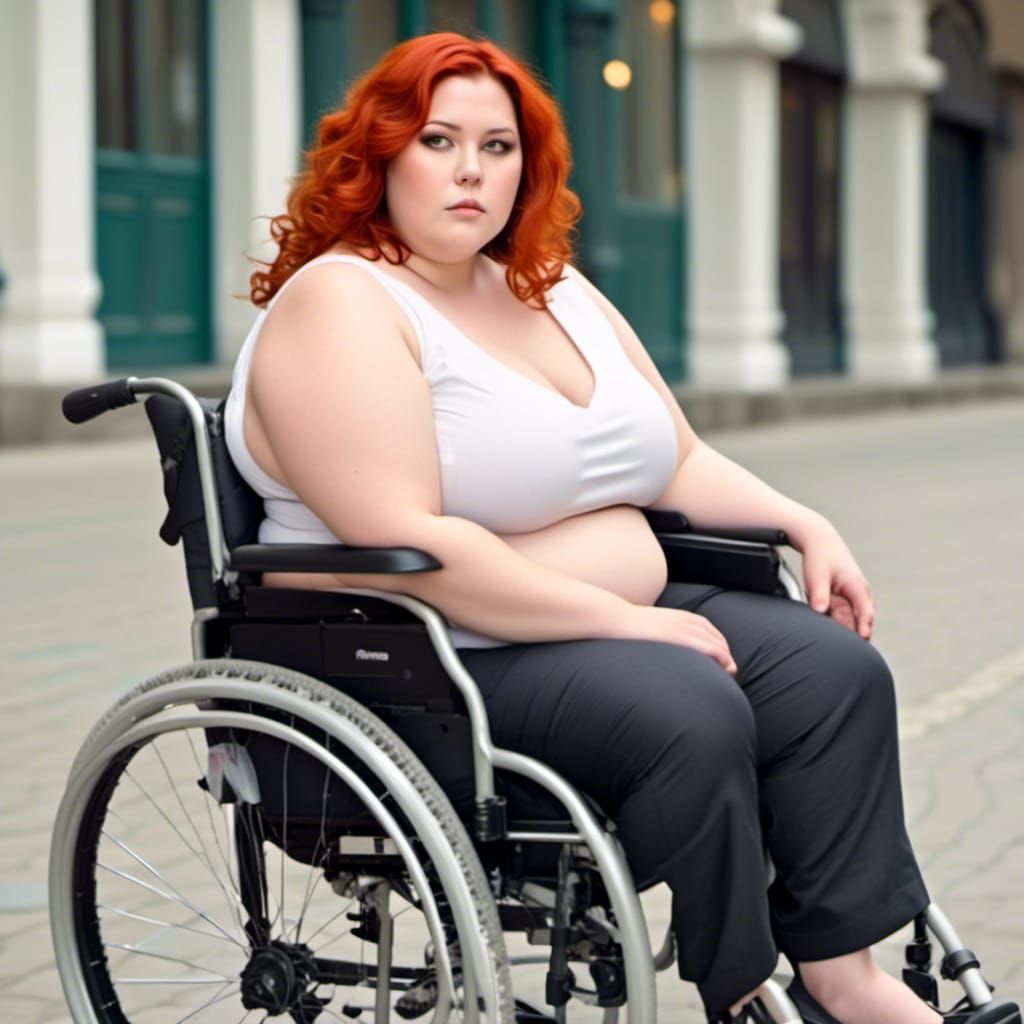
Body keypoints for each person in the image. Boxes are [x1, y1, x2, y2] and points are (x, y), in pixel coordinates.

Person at [224, 32, 940, 1024]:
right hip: (429, 656)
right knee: (690, 705)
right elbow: (410, 541)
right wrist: (623, 620)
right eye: (438, 140)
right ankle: (742, 989)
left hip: (585, 619)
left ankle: (845, 978)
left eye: (499, 146)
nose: (472, 170)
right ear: (379, 153)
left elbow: (678, 458)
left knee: (834, 673)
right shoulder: (343, 302)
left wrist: (800, 520)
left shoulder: (547, 284)